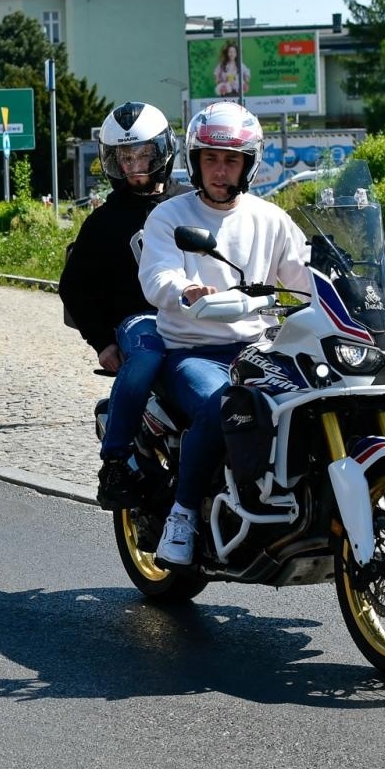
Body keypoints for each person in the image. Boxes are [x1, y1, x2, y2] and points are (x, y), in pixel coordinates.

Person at [137, 102, 311, 565]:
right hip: (195, 351)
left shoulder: (271, 219)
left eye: (231, 160)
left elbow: (305, 275)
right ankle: (183, 514)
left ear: (248, 164)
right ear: (195, 162)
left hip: (262, 348)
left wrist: (353, 289)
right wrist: (186, 290)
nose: (220, 170)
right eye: (211, 159)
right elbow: (156, 275)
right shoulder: (170, 216)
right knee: (223, 407)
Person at [59, 102, 188, 509]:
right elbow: (75, 288)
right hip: (140, 321)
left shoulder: (192, 202)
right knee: (147, 356)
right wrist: (101, 341)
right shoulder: (103, 221)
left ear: (162, 151)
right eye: (125, 157)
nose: (135, 166)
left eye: (143, 154)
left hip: (200, 316)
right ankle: (114, 459)